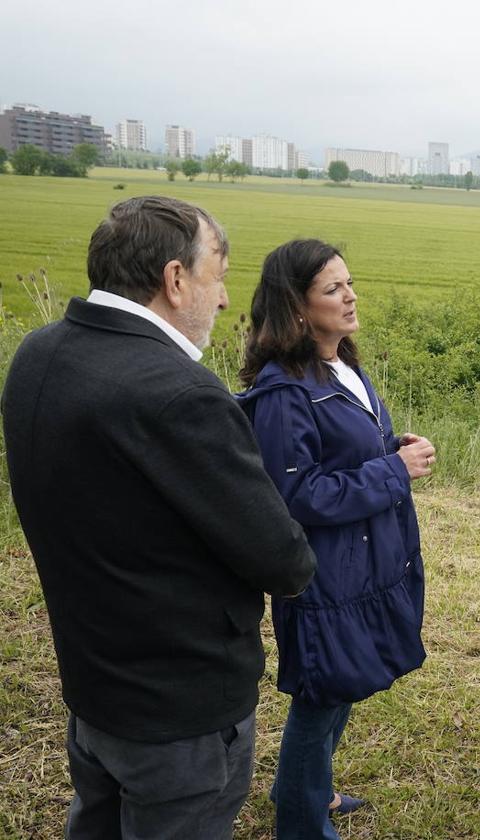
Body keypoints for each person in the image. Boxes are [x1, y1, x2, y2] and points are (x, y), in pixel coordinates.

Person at [1, 196, 317, 839]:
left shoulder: (39, 354)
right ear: (175, 280)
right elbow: (282, 559)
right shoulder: (179, 393)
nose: (225, 299)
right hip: (182, 708)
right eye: (218, 275)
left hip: (94, 685)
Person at [236, 239, 434, 839]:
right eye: (332, 289)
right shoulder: (283, 392)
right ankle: (301, 820)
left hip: (366, 563)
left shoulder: (340, 364)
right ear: (296, 307)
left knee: (343, 685)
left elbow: (344, 455)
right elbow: (296, 496)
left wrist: (388, 450)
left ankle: (307, 788)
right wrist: (393, 472)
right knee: (322, 697)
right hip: (324, 573)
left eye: (349, 283)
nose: (350, 297)